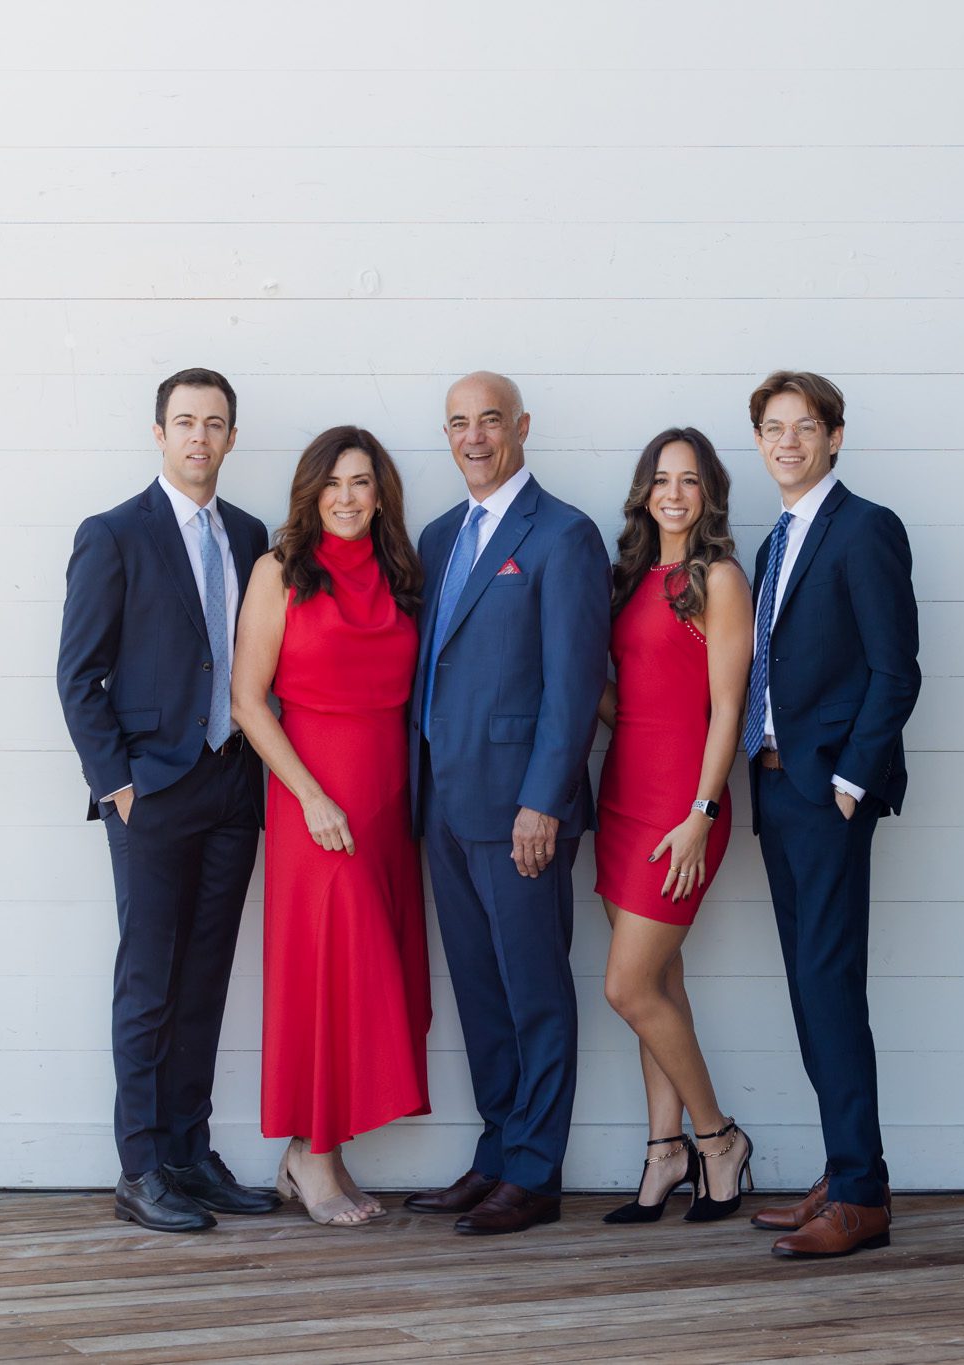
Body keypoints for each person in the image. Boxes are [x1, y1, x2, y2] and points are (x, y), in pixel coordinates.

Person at [55, 367, 282, 1233]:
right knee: (148, 979)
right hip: (150, 788)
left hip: (232, 783)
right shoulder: (113, 534)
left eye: (214, 423)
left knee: (205, 978)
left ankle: (190, 1152)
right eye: (183, 421)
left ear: (230, 437)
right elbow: (79, 676)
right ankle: (140, 1164)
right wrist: (118, 783)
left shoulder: (253, 535)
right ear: (159, 434)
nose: (198, 437)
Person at [404, 372, 611, 1236]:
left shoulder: (564, 535)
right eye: (458, 423)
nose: (474, 436)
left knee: (534, 990)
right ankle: (496, 1152)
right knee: (482, 994)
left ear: (521, 425)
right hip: (444, 803)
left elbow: (573, 687)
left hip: (521, 809)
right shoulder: (439, 534)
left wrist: (543, 802)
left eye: (490, 419)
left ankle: (535, 1170)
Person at [736, 370, 921, 1259]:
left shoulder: (866, 528)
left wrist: (850, 782)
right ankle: (851, 1170)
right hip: (775, 790)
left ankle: (861, 1195)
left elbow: (896, 671)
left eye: (803, 426)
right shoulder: (775, 542)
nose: (786, 441)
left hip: (827, 797)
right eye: (772, 428)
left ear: (835, 436)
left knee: (831, 986)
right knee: (812, 989)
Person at [231, 427, 431, 1228]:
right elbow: (249, 700)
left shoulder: (401, 573)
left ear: (381, 492)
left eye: (362, 482)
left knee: (369, 980)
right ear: (311, 492)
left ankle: (321, 1150)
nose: (347, 497)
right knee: (323, 974)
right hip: (314, 800)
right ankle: (310, 1154)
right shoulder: (278, 572)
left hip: (388, 802)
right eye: (334, 483)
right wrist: (312, 796)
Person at [593, 428, 756, 1224]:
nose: (674, 493)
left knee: (627, 984)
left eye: (689, 480)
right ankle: (664, 1152)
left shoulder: (718, 578)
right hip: (621, 794)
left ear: (708, 492)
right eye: (662, 478)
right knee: (658, 984)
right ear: (644, 490)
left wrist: (703, 809)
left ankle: (719, 1137)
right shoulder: (628, 577)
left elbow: (728, 707)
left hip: (681, 804)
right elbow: (624, 688)